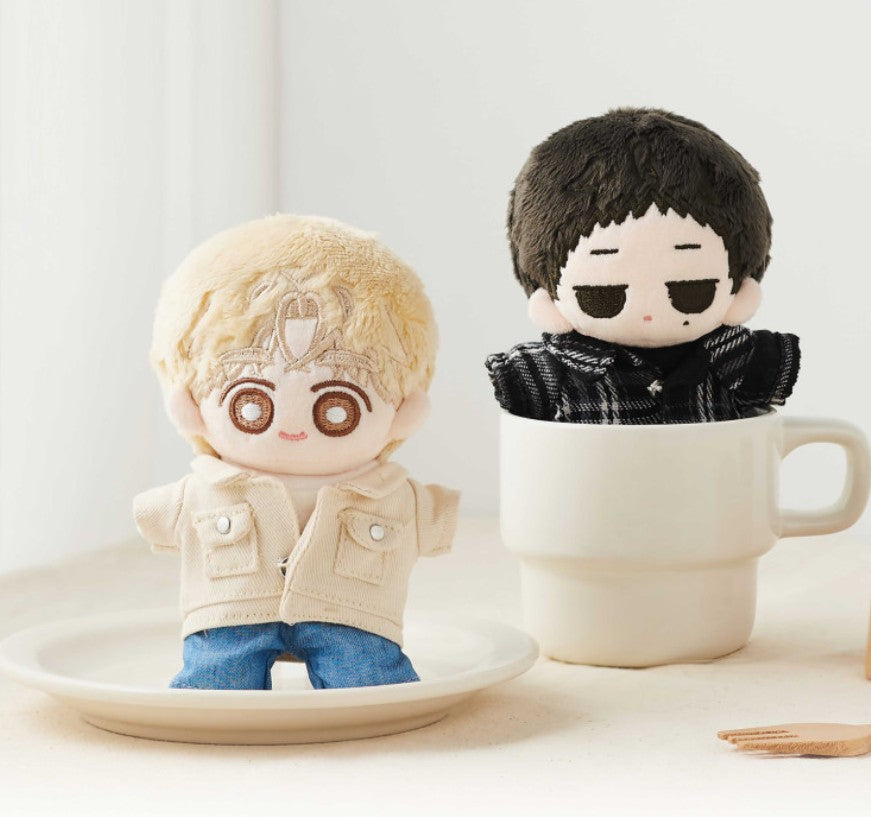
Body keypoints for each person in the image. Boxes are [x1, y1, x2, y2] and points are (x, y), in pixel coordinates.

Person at [134, 214, 459, 690]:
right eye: (251, 405)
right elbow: (152, 517)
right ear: (191, 408)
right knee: (214, 688)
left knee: (374, 688)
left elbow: (438, 520)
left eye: (336, 409)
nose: (290, 427)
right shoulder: (196, 493)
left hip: (354, 617)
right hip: (230, 616)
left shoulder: (401, 497)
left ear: (403, 411)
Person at [486, 108, 800, 424]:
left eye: (692, 291)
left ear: (740, 292)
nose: (649, 311)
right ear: (547, 296)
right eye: (603, 295)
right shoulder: (549, 372)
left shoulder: (734, 359)